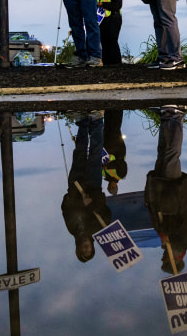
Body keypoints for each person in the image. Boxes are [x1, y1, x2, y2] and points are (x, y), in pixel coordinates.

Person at [145, 105, 187, 273]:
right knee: (172, 154)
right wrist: (168, 238)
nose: (162, 257)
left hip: (159, 189)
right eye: (164, 261)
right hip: (173, 189)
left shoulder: (166, 244)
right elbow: (180, 223)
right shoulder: (182, 243)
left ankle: (166, 117)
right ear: (173, 261)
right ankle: (178, 116)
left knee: (163, 151)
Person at [61, 110, 110, 262]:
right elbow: (106, 211)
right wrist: (92, 205)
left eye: (84, 250)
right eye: (89, 250)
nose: (87, 248)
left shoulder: (72, 229)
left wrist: (77, 201)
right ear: (92, 247)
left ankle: (83, 123)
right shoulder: (98, 229)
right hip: (94, 186)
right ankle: (96, 122)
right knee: (95, 154)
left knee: (79, 151)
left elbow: (65, 207)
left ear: (78, 248)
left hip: (76, 185)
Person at [97, 0, 123, 65]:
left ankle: (116, 62)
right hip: (102, 21)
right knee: (103, 41)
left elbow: (117, 6)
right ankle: (106, 61)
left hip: (113, 20)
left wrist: (103, 4)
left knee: (112, 40)